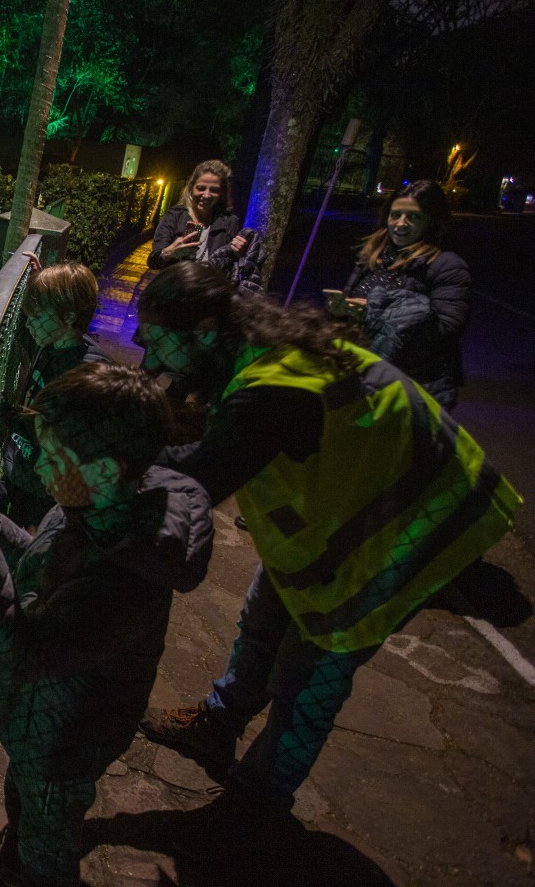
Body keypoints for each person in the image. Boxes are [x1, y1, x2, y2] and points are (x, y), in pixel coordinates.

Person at [131, 262, 520, 829]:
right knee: (264, 617)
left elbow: (199, 479)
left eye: (159, 340)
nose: (151, 354)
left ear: (208, 331)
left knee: (309, 675)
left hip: (412, 520)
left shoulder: (268, 390)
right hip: (351, 512)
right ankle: (219, 723)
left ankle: (259, 802)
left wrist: (115, 446)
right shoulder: (256, 350)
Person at [0, 363, 214, 886]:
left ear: (108, 470)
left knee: (50, 841)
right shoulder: (99, 512)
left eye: (54, 455)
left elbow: (21, 652)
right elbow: (44, 567)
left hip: (66, 737)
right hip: (46, 726)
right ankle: (10, 872)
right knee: (25, 801)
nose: (40, 465)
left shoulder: (124, 580)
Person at [328, 179, 470, 410]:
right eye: (395, 215)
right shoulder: (373, 256)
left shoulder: (446, 265)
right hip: (368, 375)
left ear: (431, 222)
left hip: (418, 384)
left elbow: (447, 327)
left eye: (413, 217)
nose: (400, 224)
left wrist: (375, 311)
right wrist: (342, 310)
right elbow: (350, 299)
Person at [0, 261, 108, 531]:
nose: (30, 322)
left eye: (38, 315)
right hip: (19, 468)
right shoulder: (51, 342)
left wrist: (2, 411)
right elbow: (22, 328)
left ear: (67, 317)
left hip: (45, 486)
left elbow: (53, 431)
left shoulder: (85, 374)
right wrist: (32, 284)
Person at [148, 159, 265, 292]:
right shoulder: (174, 216)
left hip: (209, 296)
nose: (207, 195)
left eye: (214, 190)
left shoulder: (229, 222)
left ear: (221, 193)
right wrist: (168, 252)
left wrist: (240, 253)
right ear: (191, 187)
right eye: (201, 188)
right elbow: (153, 262)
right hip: (174, 292)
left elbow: (231, 266)